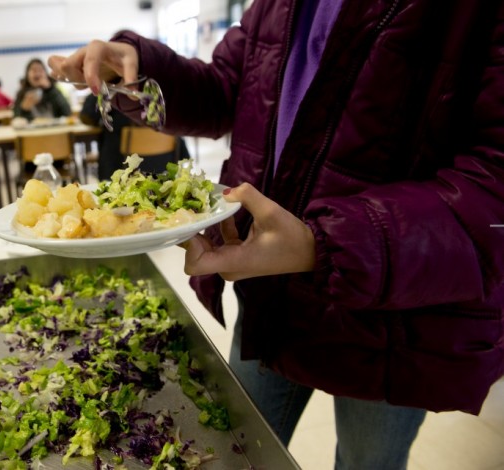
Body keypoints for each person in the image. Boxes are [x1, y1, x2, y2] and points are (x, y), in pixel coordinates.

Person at [48, 1, 504, 469]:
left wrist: (324, 244)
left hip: (400, 317)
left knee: (368, 461)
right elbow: (229, 88)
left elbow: (493, 185)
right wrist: (141, 70)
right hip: (272, 292)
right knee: (240, 450)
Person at [79, 93, 190, 180]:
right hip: (164, 164)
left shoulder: (112, 88)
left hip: (119, 170)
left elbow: (87, 116)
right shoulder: (161, 85)